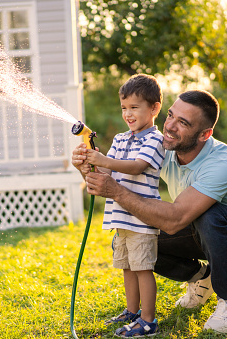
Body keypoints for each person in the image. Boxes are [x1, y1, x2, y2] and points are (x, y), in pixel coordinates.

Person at [72, 89, 227, 334]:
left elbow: (175, 219)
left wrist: (116, 191)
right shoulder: (163, 147)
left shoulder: (221, 163)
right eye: (170, 115)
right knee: (133, 238)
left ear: (205, 134)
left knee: (210, 214)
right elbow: (116, 177)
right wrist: (87, 167)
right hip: (197, 227)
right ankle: (201, 277)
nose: (170, 127)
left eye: (183, 123)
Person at [77, 74, 165, 337]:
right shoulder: (120, 138)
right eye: (124, 108)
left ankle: (148, 320)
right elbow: (108, 175)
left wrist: (102, 159)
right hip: (121, 217)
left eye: (134, 107)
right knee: (127, 267)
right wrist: (87, 162)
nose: (128, 113)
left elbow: (137, 166)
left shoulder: (155, 139)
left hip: (141, 217)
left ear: (154, 108)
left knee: (142, 268)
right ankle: (132, 312)